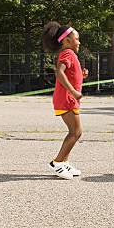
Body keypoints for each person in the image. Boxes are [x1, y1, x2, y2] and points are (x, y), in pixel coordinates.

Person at [42, 21, 88, 180]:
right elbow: (60, 73)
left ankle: (64, 162)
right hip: (66, 99)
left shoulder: (70, 54)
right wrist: (74, 91)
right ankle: (57, 163)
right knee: (76, 132)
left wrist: (81, 75)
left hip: (68, 99)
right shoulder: (67, 53)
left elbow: (69, 74)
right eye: (77, 38)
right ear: (67, 41)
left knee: (75, 132)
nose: (79, 42)